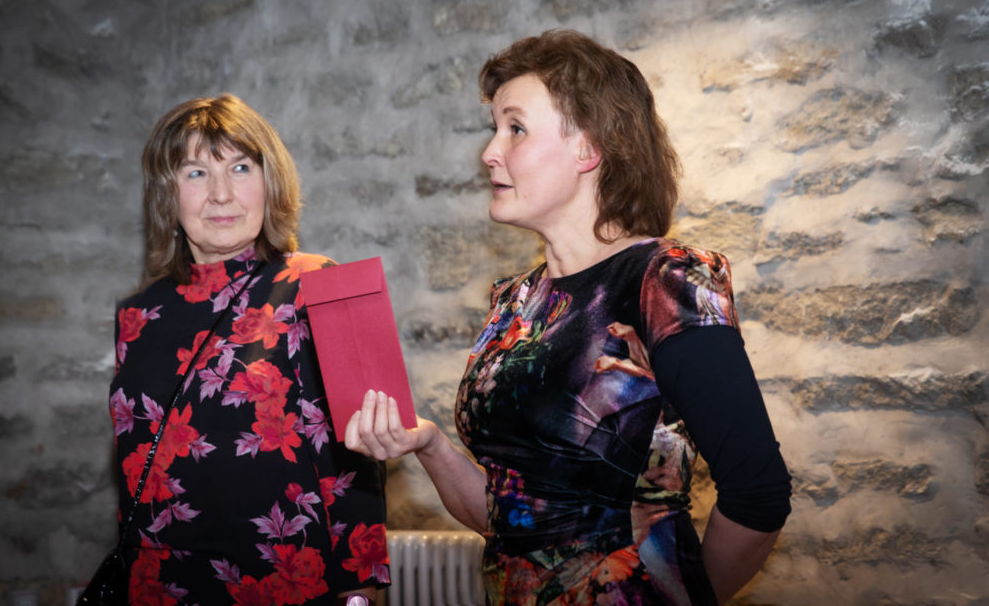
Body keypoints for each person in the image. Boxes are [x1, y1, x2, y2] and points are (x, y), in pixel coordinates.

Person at [345, 30, 792, 605]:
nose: (489, 152)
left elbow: (758, 496)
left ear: (588, 148)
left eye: (516, 128)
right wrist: (430, 445)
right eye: (494, 129)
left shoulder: (667, 279)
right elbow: (513, 523)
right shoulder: (514, 302)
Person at [109, 94, 388, 605]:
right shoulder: (136, 316)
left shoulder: (321, 283)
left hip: (287, 583)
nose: (221, 194)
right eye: (196, 173)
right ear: (167, 194)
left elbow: (360, 459)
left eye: (240, 168)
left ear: (269, 181)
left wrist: (360, 594)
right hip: (160, 585)